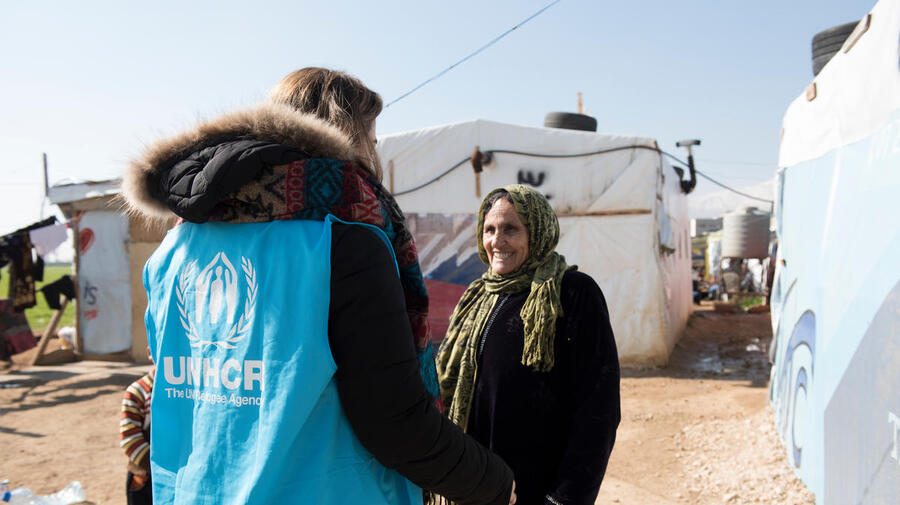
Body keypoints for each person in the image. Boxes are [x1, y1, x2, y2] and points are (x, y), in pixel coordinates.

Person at [123, 67, 515, 505]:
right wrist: (493, 483)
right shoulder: (344, 239)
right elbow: (394, 421)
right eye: (371, 139)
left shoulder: (173, 249)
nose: (373, 152)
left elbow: (184, 388)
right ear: (350, 138)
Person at [438, 185, 621, 505]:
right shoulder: (477, 297)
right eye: (489, 230)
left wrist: (565, 498)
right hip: (477, 487)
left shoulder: (571, 293)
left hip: (537, 490)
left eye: (511, 229)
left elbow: (599, 407)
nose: (497, 241)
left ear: (537, 232)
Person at [120, 367, 154, 505]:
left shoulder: (185, 390)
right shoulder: (138, 391)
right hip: (144, 475)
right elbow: (130, 440)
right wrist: (158, 467)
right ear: (150, 355)